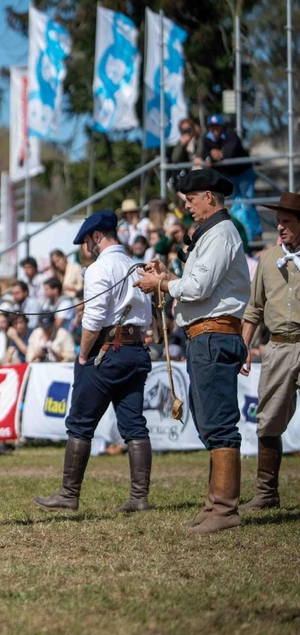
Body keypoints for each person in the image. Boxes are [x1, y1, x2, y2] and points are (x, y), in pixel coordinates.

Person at [135, 169, 251, 533]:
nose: (187, 206)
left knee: (219, 423)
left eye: (191, 200)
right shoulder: (213, 235)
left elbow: (198, 288)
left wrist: (162, 283)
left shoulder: (221, 233)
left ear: (209, 198)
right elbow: (198, 285)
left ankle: (225, 509)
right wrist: (168, 277)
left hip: (214, 336)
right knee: (208, 421)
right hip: (206, 336)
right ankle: (216, 503)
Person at [35, 209, 154, 514]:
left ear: (97, 236)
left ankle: (69, 493)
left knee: (80, 423)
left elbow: (94, 319)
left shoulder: (101, 268)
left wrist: (84, 354)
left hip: (107, 351)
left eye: (87, 241)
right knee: (134, 425)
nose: (86, 247)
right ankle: (139, 496)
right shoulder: (136, 266)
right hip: (136, 350)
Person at [238, 192, 300, 512]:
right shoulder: (267, 259)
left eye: (287, 221)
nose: (280, 227)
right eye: (278, 221)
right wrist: (244, 346)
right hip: (277, 345)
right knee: (268, 419)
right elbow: (254, 309)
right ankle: (266, 493)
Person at [201, 114, 260, 242]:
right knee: (234, 205)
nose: (215, 129)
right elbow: (203, 154)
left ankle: (255, 235)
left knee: (247, 203)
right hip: (229, 175)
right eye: (212, 127)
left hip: (243, 172)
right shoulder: (206, 138)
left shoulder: (231, 134)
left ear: (222, 126)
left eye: (217, 126)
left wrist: (213, 156)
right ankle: (241, 234)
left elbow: (229, 153)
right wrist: (211, 154)